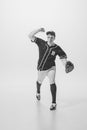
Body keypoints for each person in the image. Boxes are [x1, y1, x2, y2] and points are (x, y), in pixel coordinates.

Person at [28, 28, 67, 110]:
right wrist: (38, 30)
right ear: (47, 37)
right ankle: (38, 92)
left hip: (51, 68)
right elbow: (30, 35)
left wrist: (66, 64)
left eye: (52, 37)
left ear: (54, 38)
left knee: (52, 82)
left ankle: (54, 103)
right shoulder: (41, 43)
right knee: (39, 81)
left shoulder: (57, 48)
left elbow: (63, 57)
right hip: (41, 68)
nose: (50, 38)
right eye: (48, 37)